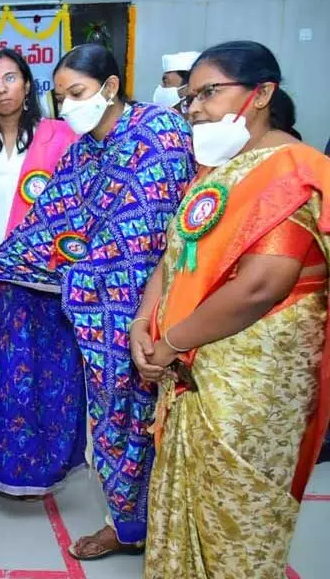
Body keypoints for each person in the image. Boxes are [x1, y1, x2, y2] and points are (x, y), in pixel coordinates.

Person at [0, 42, 195, 558]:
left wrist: (129, 300)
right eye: (61, 97)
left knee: (165, 419)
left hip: (161, 307)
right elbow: (44, 228)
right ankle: (127, 524)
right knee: (113, 419)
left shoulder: (160, 134)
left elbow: (152, 231)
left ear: (110, 88)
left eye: (77, 93)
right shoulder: (81, 154)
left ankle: (170, 524)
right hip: (99, 315)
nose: (68, 106)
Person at [137, 40, 330, 579]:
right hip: (185, 366)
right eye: (190, 97)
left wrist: (171, 342)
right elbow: (174, 258)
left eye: (208, 93)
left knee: (235, 512)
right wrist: (141, 323)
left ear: (262, 93)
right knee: (183, 501)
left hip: (248, 383)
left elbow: (261, 286)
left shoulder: (292, 171)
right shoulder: (214, 172)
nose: (194, 107)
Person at [0, 48, 83, 496]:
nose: (2, 88)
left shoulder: (57, 137)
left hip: (42, 282)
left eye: (10, 78)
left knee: (43, 378)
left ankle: (40, 471)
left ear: (27, 85)